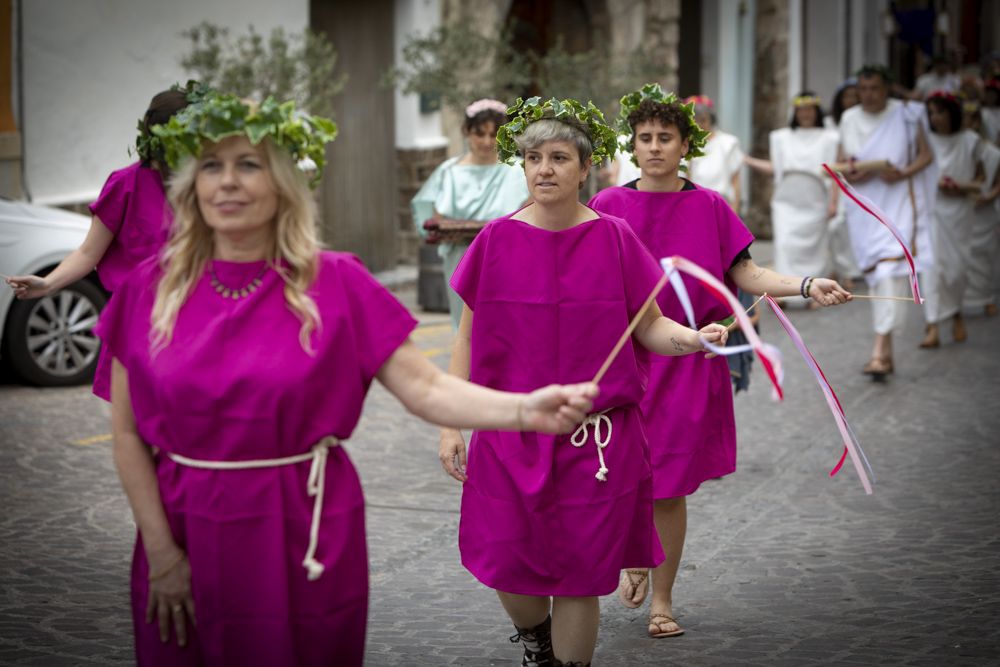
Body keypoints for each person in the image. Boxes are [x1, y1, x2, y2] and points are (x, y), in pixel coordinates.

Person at [94, 91, 598, 667]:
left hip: (305, 526)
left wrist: (525, 411)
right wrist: (162, 552)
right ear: (191, 183)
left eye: (249, 164)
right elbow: (129, 433)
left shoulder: (336, 281)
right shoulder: (147, 289)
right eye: (212, 165)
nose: (227, 182)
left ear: (283, 181)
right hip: (185, 525)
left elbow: (427, 389)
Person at [437, 95, 731, 667]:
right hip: (510, 432)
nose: (544, 169)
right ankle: (535, 640)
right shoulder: (495, 239)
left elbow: (650, 327)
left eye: (558, 158)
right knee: (508, 566)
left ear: (584, 166)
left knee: (578, 577)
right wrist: (451, 424)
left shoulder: (616, 237)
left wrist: (693, 338)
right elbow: (466, 341)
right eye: (534, 158)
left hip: (595, 443)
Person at [587, 84, 851, 641]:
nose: (655, 147)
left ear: (687, 145)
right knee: (617, 476)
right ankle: (634, 555)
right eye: (645, 138)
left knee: (668, 484)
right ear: (631, 147)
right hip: (623, 362)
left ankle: (662, 598)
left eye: (666, 138)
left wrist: (805, 284)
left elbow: (747, 275)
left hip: (687, 367)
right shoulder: (607, 206)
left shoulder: (708, 205)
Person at [5, 86, 193, 399]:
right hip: (140, 326)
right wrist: (48, 284)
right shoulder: (127, 184)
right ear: (163, 136)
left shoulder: (206, 184)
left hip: (195, 322)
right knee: (139, 428)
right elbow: (89, 252)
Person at [836, 64, 936, 378]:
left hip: (898, 203)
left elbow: (926, 154)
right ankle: (887, 349)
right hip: (864, 205)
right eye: (862, 90)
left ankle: (879, 350)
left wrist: (902, 173)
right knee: (878, 273)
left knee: (887, 271)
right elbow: (838, 162)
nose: (868, 95)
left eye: (874, 89)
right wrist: (855, 171)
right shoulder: (849, 117)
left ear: (887, 88)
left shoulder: (905, 114)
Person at [411, 98, 529, 329]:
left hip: (506, 258)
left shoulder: (518, 171)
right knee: (465, 329)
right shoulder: (449, 172)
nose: (487, 141)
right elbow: (431, 216)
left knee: (506, 325)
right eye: (479, 133)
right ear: (466, 131)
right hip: (460, 258)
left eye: (494, 134)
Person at [744, 91, 840, 304]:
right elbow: (776, 168)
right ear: (795, 112)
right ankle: (784, 292)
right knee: (785, 245)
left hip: (815, 199)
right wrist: (747, 160)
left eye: (810, 110)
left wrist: (834, 202)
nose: (806, 114)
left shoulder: (830, 138)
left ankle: (816, 292)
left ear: (817, 112)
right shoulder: (781, 137)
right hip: (787, 201)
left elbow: (835, 173)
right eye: (801, 110)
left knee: (815, 248)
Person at [919, 91, 985, 346]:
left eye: (941, 112)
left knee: (956, 269)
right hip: (932, 210)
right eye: (932, 113)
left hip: (959, 212)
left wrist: (961, 186)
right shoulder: (925, 140)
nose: (936, 118)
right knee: (932, 268)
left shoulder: (971, 141)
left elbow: (981, 179)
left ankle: (956, 313)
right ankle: (932, 325)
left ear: (952, 113)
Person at [825, 78, 864, 287]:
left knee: (850, 226)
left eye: (854, 96)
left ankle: (849, 270)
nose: (851, 100)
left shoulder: (861, 121)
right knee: (835, 226)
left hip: (858, 179)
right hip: (832, 180)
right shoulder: (830, 123)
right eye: (847, 96)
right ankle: (835, 266)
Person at [962, 101, 1000, 316]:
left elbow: (997, 182)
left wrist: (988, 197)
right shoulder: (957, 146)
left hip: (984, 211)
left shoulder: (992, 152)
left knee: (983, 257)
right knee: (962, 258)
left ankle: (986, 298)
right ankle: (958, 301)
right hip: (962, 209)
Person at [683, 94, 744, 212]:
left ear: (711, 119)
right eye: (694, 120)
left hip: (722, 207)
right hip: (694, 208)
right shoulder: (683, 145)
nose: (698, 125)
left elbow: (736, 181)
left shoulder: (728, 143)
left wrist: (735, 211)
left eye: (703, 120)